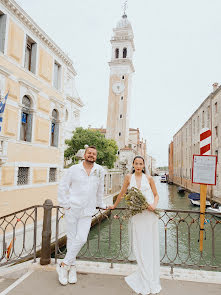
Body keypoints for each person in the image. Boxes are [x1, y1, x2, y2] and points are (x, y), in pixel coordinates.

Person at [108, 156, 161, 295]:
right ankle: (143, 274)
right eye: (136, 163)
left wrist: (153, 206)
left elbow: (156, 195)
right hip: (137, 215)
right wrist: (114, 205)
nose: (138, 166)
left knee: (149, 244)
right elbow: (122, 193)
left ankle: (150, 275)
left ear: (144, 166)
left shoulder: (149, 178)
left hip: (148, 214)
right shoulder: (128, 177)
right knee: (139, 244)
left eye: (141, 164)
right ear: (133, 164)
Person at [57, 146, 107, 285]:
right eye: (89, 153)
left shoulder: (99, 170)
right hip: (72, 208)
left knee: (82, 238)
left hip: (87, 210)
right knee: (72, 238)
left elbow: (100, 189)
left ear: (96, 157)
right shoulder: (74, 169)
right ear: (84, 155)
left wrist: (101, 203)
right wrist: (65, 204)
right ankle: (71, 267)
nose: (91, 155)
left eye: (94, 154)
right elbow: (63, 186)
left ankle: (64, 265)